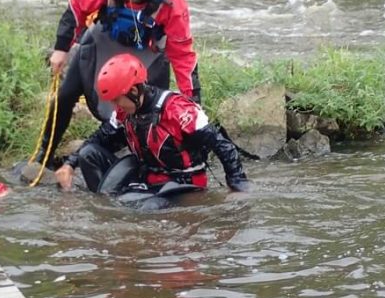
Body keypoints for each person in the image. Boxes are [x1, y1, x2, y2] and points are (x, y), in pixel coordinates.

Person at [54, 53, 249, 209]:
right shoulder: (125, 112)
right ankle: (105, 205)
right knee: (89, 154)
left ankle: (121, 209)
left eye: (116, 99)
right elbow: (98, 140)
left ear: (134, 90)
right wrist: (70, 164)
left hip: (183, 183)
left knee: (147, 208)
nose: (114, 105)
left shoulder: (178, 110)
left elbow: (222, 145)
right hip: (147, 177)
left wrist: (238, 187)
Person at [32, 0, 132, 166]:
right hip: (100, 42)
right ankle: (45, 154)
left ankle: (50, 153)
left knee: (72, 96)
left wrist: (62, 48)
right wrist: (62, 48)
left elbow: (72, 13)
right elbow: (75, 11)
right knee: (68, 95)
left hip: (116, 46)